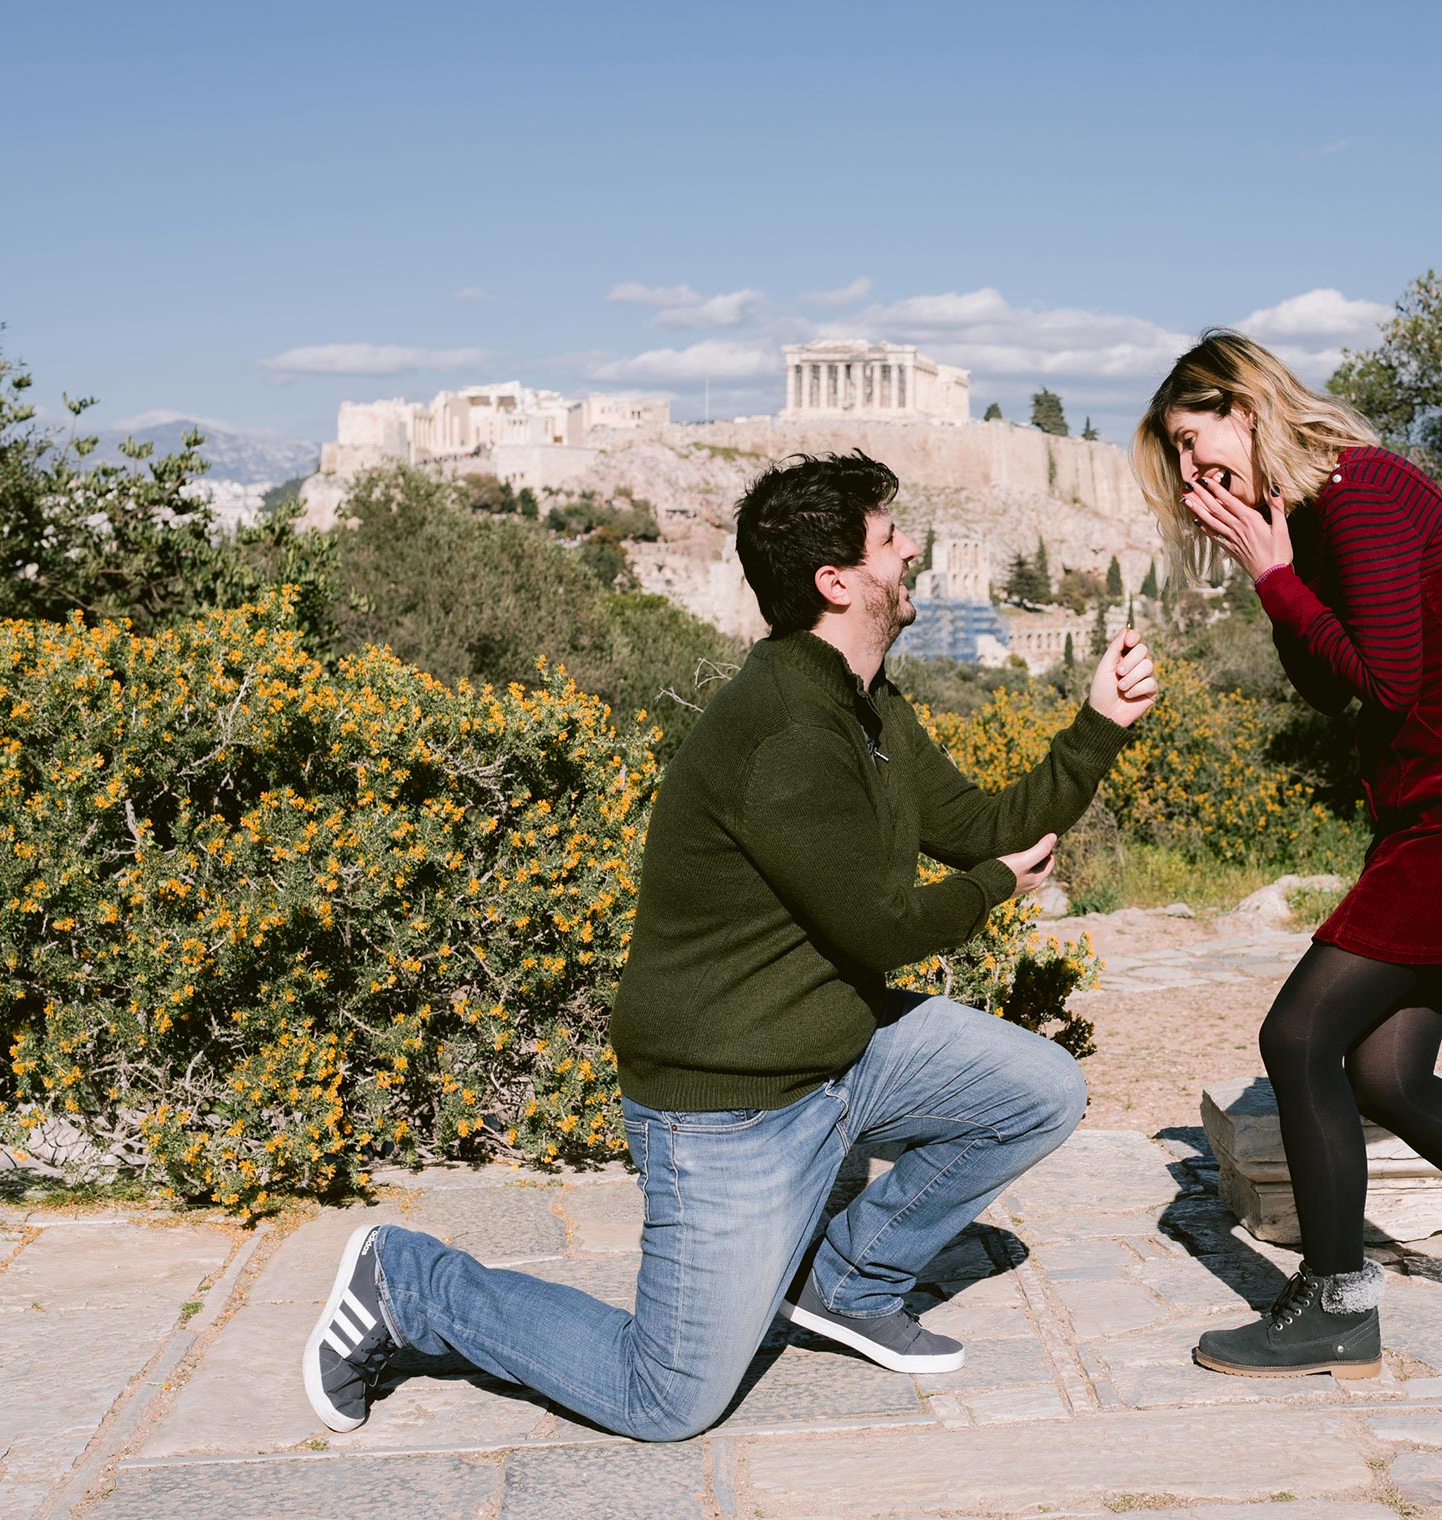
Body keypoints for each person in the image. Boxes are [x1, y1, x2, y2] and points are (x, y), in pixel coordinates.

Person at [302, 450, 1159, 1440]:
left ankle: (844, 1284)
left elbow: (977, 822)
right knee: (662, 1397)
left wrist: (1097, 726)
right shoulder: (787, 730)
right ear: (837, 581)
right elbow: (886, 924)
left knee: (1039, 1089)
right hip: (727, 1107)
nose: (915, 546)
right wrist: (998, 886)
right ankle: (406, 1280)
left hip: (839, 1053)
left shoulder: (865, 705)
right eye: (893, 536)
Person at [1131, 331, 1442, 1379]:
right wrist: (1273, 575)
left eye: (1195, 439)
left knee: (1298, 1035)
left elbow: (1391, 683)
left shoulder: (1358, 494)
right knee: (1386, 1070)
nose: (1191, 473)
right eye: (1176, 458)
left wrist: (1278, 581)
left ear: (1247, 405)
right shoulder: (1309, 516)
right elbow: (1336, 689)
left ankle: (1333, 1303)